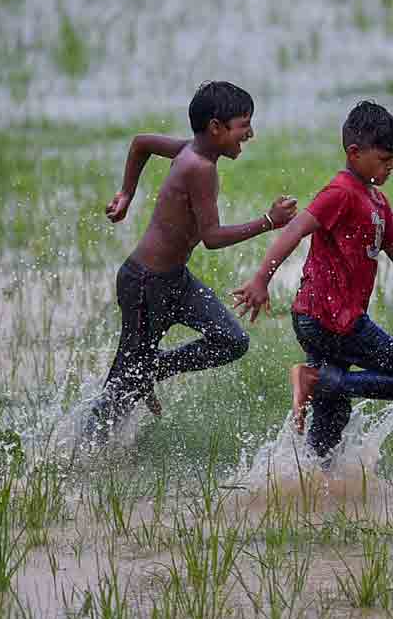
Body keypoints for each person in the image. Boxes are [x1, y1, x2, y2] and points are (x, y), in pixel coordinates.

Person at [231, 100, 393, 461]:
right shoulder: (341, 192)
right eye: (383, 159)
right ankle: (314, 380)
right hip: (332, 319)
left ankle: (311, 479)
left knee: (332, 416)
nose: (390, 167)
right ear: (354, 153)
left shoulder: (377, 202)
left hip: (324, 319)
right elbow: (296, 229)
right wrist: (261, 279)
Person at [84, 81, 298, 447]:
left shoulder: (190, 150)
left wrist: (127, 193)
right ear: (215, 127)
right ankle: (82, 453)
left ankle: (152, 369)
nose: (250, 134)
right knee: (123, 386)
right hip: (145, 286)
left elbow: (141, 143)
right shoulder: (200, 167)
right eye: (244, 125)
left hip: (174, 280)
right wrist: (268, 221)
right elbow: (211, 237)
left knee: (231, 341)